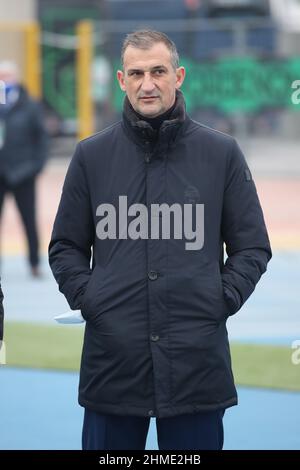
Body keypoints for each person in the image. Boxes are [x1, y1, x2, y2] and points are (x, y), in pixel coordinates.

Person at [49, 30, 272, 450]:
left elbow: (252, 246)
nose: (147, 83)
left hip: (196, 362)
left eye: (158, 71)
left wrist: (219, 299)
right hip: (113, 363)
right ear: (121, 80)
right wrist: (91, 298)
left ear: (179, 75)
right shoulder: (91, 156)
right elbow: (65, 247)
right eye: (136, 73)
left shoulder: (220, 153)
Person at [0, 61, 48, 277]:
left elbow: (42, 139)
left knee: (28, 219)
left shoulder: (30, 105)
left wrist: (35, 167)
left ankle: (34, 263)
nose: (4, 80)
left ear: (16, 78)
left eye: (7, 75)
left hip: (23, 172)